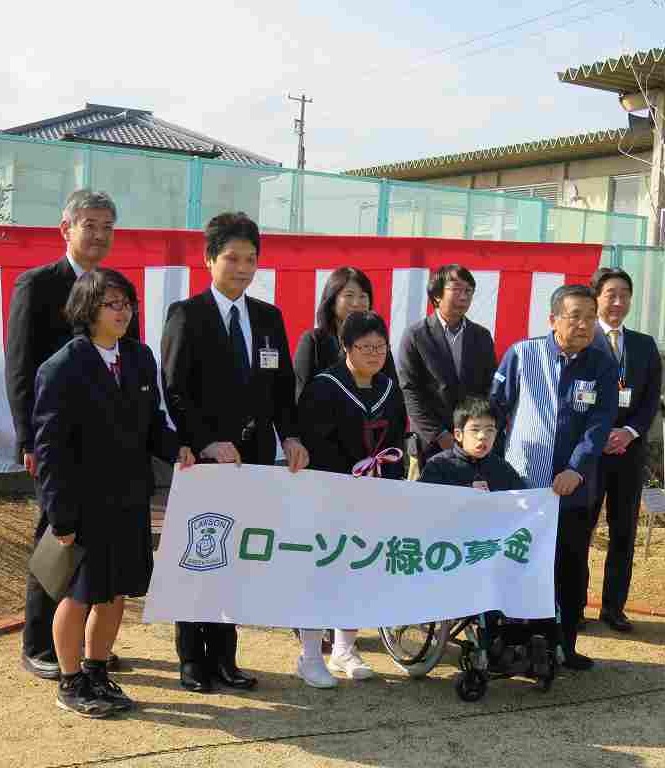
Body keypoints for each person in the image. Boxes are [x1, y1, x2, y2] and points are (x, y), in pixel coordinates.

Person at [32, 268, 195, 717]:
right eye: (112, 304)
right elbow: (50, 449)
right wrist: (60, 515)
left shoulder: (140, 358)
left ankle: (97, 672)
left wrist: (177, 448)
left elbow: (150, 426)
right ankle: (70, 681)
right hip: (83, 506)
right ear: (88, 309)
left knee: (116, 591)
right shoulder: (63, 367)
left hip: (129, 499)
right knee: (79, 593)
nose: (123, 312)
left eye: (127, 304)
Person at [161, 211, 309, 694]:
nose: (242, 268)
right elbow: (174, 389)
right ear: (209, 260)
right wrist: (204, 440)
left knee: (235, 559)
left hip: (253, 460)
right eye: (232, 258)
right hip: (203, 461)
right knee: (199, 556)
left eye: (251, 259)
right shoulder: (187, 315)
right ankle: (191, 659)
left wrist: (290, 436)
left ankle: (225, 657)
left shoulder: (269, 318)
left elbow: (283, 388)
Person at [6, 189, 137, 680]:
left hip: (108, 449)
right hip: (57, 440)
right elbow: (21, 367)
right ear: (66, 229)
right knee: (58, 540)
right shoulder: (37, 285)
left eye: (107, 226)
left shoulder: (116, 290)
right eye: (90, 225)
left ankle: (89, 649)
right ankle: (39, 643)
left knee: (99, 547)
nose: (99, 234)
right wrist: (28, 440)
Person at [490, 284, 618, 671]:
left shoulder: (601, 363)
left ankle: (565, 644)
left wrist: (576, 469)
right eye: (574, 315)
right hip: (521, 487)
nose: (583, 325)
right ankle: (508, 643)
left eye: (589, 317)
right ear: (553, 319)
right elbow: (495, 412)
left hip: (572, 490)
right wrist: (490, 470)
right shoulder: (521, 354)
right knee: (517, 562)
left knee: (570, 565)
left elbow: (600, 424)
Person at [296, 311, 408, 688]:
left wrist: (385, 479)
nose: (374, 354)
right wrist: (350, 474)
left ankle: (345, 647)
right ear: (346, 347)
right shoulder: (324, 387)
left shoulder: (389, 390)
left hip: (373, 496)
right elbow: (314, 442)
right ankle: (310, 654)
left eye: (380, 347)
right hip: (331, 494)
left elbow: (396, 443)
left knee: (361, 567)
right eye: (365, 347)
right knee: (322, 571)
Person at [583, 267, 662, 633]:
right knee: (579, 530)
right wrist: (598, 436)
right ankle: (572, 605)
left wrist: (629, 431)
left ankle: (614, 607)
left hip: (628, 454)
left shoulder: (644, 345)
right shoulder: (582, 339)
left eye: (624, 295)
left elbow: (649, 401)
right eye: (611, 294)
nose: (618, 302)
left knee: (623, 531)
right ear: (596, 297)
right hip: (588, 453)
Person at [398, 264, 498, 479]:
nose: (464, 296)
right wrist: (439, 434)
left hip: (471, 446)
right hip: (428, 445)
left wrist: (474, 433)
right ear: (436, 295)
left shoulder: (481, 336)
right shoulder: (415, 335)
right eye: (457, 289)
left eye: (469, 291)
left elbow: (489, 388)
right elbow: (409, 392)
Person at [293, 267, 397, 400]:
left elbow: (392, 392)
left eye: (363, 296)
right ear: (332, 301)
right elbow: (300, 396)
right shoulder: (314, 341)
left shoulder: (378, 342)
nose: (356, 303)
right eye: (349, 295)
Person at [418, 396, 525, 492]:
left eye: (489, 430)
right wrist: (468, 491)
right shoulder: (438, 466)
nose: (482, 436)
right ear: (458, 435)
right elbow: (426, 503)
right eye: (475, 429)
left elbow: (523, 501)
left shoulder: (503, 469)